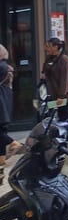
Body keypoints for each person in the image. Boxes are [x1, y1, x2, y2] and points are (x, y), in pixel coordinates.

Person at [0, 44, 20, 185]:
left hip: (1, 101)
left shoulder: (1, 67)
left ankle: (13, 143)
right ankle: (1, 162)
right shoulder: (6, 67)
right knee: (1, 129)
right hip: (5, 100)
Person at [41, 37, 68, 121]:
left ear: (55, 47)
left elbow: (65, 79)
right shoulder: (48, 58)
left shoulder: (64, 60)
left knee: (63, 117)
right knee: (48, 117)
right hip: (50, 95)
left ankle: (66, 133)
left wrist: (61, 96)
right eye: (46, 46)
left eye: (49, 46)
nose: (46, 49)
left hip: (62, 97)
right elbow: (44, 72)